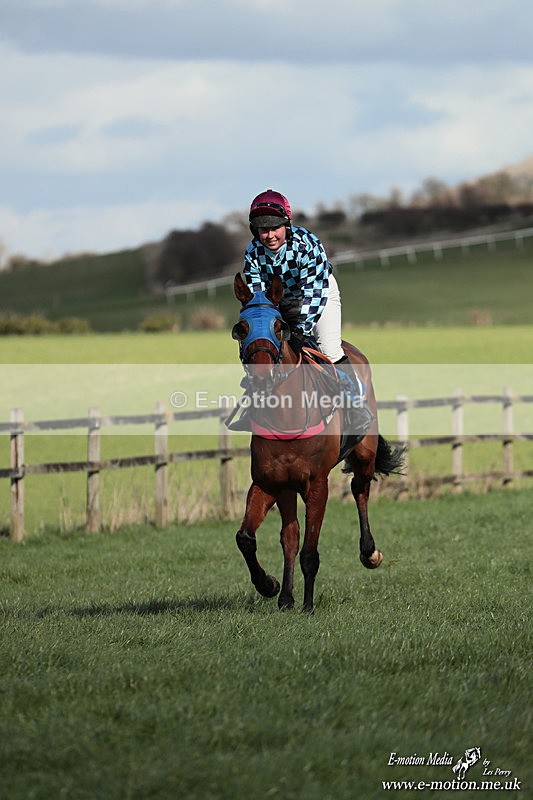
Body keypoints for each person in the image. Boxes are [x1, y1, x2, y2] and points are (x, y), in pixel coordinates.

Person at [229, 189, 372, 433]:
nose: (270, 235)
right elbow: (257, 298)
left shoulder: (308, 245)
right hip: (278, 303)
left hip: (319, 296)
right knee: (266, 348)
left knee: (328, 348)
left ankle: (355, 404)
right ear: (255, 231)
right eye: (263, 230)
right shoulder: (253, 252)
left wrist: (301, 330)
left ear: (286, 225)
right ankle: (253, 405)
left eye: (275, 228)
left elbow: (314, 293)